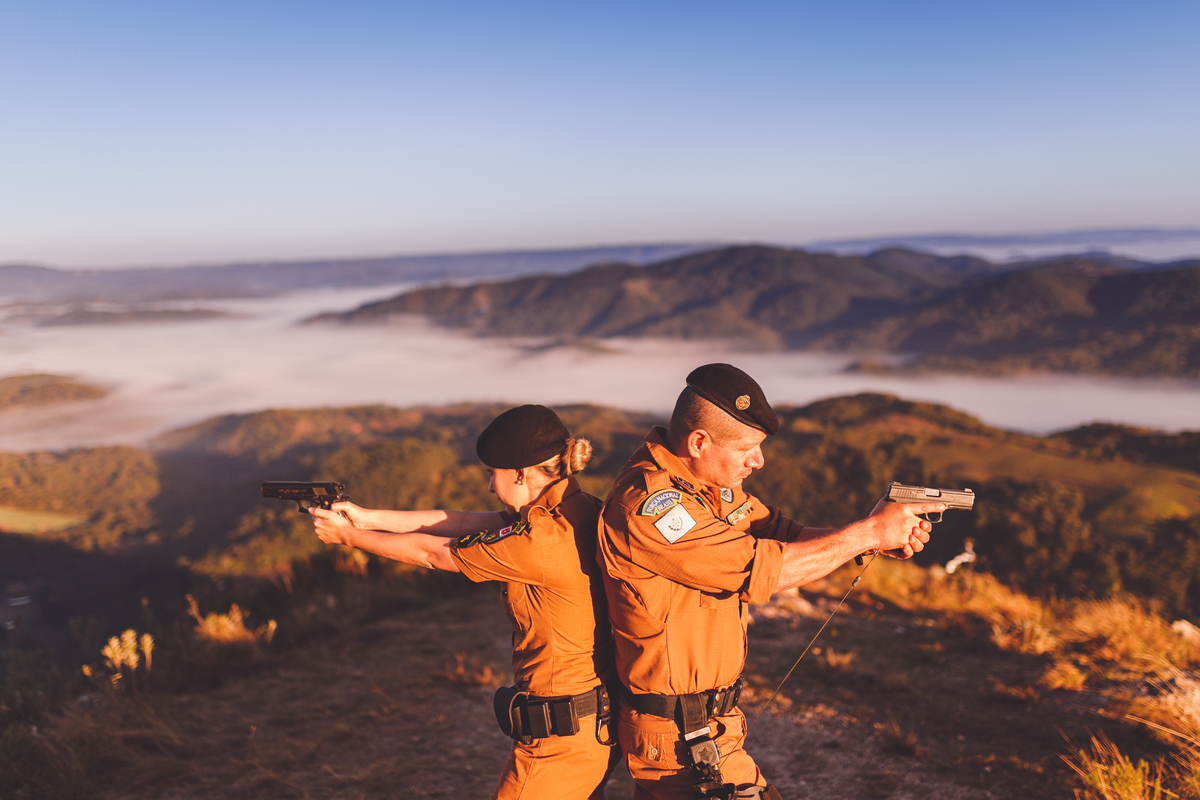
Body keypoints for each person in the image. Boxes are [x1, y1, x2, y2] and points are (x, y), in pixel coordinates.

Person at [597, 364, 943, 800]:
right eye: (748, 448)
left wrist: (867, 534)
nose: (758, 461)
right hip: (681, 738)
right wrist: (870, 534)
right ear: (698, 442)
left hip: (709, 727)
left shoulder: (708, 486)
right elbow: (765, 567)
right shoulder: (651, 508)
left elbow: (782, 535)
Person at [309, 405, 620, 800]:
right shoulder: (576, 510)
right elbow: (461, 522)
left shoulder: (538, 542)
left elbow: (434, 553)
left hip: (559, 740)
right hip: (591, 726)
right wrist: (365, 518)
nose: (490, 486)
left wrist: (348, 538)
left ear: (521, 474)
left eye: (493, 474)